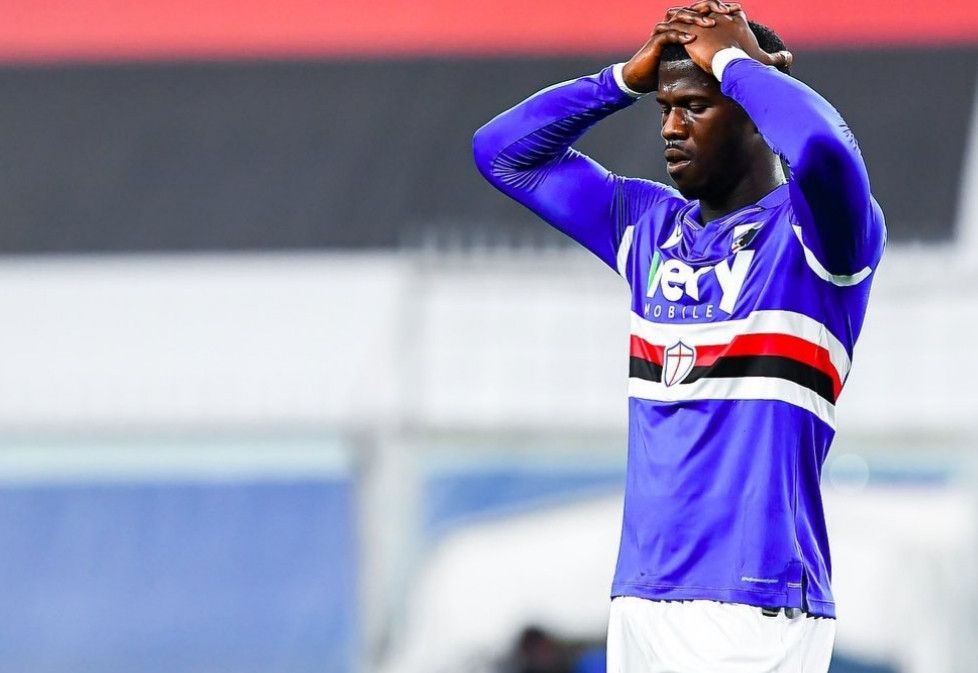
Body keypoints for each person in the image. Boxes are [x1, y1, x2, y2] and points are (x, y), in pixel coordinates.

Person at [472, 3, 885, 672]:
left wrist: (738, 64)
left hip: (753, 602)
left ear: (754, 111)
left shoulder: (816, 237)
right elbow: (502, 154)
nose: (670, 126)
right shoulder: (647, 227)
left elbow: (823, 148)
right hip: (641, 597)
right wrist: (620, 81)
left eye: (694, 106)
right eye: (663, 107)